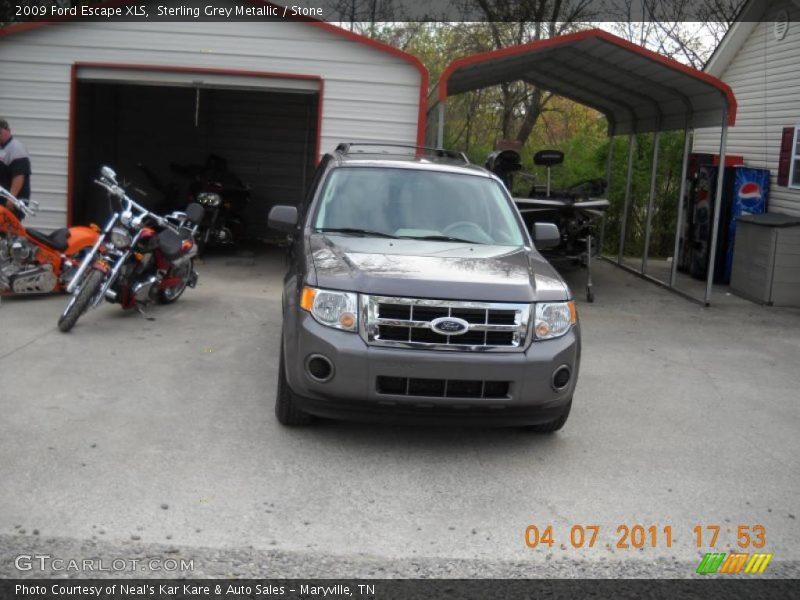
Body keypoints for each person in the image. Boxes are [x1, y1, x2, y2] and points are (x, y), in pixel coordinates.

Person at [0, 117, 32, 219]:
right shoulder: (2, 148)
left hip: (13, 203)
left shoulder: (16, 149)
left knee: (8, 233)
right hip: (2, 202)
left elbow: (19, 176)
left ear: (7, 130)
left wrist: (12, 198)